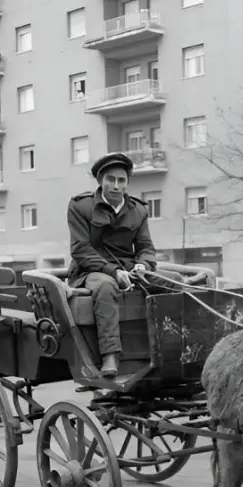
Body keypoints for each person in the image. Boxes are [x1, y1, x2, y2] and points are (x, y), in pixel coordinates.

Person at [67, 152, 169, 378]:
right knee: (106, 287)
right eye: (110, 179)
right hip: (91, 270)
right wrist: (113, 272)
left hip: (130, 270)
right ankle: (110, 356)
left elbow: (146, 247)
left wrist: (143, 265)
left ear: (127, 183)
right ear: (100, 181)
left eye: (121, 180)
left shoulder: (138, 210)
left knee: (173, 284)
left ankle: (173, 348)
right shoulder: (80, 206)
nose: (115, 185)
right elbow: (80, 249)